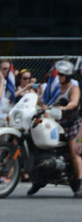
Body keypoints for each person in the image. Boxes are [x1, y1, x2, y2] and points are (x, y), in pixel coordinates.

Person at [37, 60, 81, 195]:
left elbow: (74, 103)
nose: (59, 76)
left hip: (70, 121)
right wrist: (42, 104)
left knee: (74, 150)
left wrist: (64, 107)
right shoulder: (50, 87)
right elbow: (41, 101)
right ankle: (37, 179)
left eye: (62, 75)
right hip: (53, 121)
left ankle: (80, 181)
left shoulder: (73, 88)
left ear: (67, 76)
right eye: (57, 74)